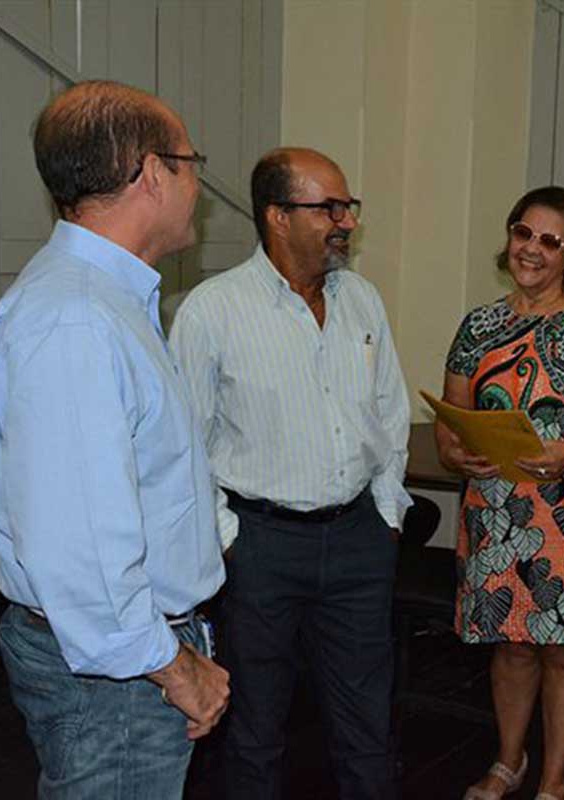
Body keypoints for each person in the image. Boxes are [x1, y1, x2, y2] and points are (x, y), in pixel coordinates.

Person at [0, 80, 229, 799]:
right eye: (190, 161)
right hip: (117, 672)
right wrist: (175, 668)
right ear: (153, 172)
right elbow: (81, 550)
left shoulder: (106, 301)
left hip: (127, 654)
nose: (198, 183)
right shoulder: (77, 321)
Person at [169, 147, 410, 800]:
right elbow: (182, 443)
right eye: (328, 207)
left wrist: (386, 513)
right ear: (277, 216)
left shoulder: (362, 300)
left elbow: (390, 414)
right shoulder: (211, 311)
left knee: (369, 725)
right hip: (259, 547)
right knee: (254, 728)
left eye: (347, 206)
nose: (346, 221)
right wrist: (227, 537)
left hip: (358, 539)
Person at [437, 186, 564, 800]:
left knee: (563, 652)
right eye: (523, 233)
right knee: (511, 648)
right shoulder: (479, 325)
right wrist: (455, 451)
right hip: (495, 511)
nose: (531, 249)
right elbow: (453, 415)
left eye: (550, 241)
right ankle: (509, 762)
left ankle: (556, 780)